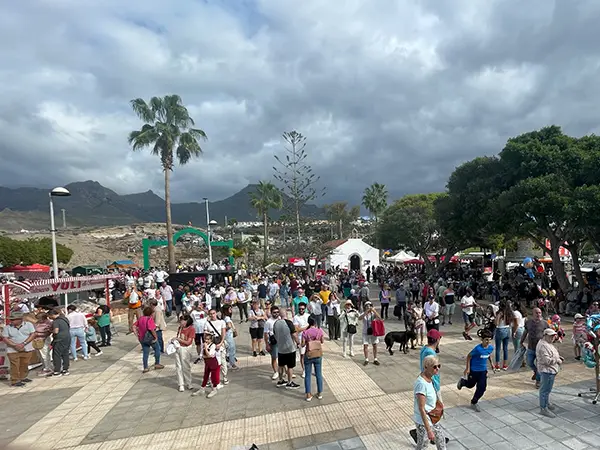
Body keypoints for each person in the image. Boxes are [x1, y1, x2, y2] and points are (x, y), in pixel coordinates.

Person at [456, 328, 495, 412]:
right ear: (482, 339)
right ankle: (463, 382)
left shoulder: (490, 348)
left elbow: (489, 355)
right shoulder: (477, 349)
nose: (488, 342)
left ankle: (474, 402)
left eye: (489, 340)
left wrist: (492, 364)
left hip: (483, 371)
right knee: (470, 385)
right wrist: (468, 368)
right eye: (486, 340)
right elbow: (469, 356)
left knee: (482, 388)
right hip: (474, 371)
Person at [413, 355, 446, 449]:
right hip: (424, 421)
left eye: (439, 366)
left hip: (433, 417)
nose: (437, 369)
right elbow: (421, 408)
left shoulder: (430, 377)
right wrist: (429, 430)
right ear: (426, 367)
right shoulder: (421, 384)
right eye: (434, 367)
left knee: (441, 440)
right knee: (423, 445)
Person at [2, 312, 35, 386]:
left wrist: (24, 343)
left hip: (26, 348)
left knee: (25, 363)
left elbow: (33, 334)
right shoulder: (7, 327)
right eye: (11, 320)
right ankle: (15, 380)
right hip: (12, 350)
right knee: (14, 365)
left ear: (20, 319)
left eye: (13, 320)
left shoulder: (28, 325)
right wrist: (14, 345)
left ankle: (23, 377)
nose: (12, 321)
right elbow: (5, 338)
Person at [536, 328, 563, 417]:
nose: (553, 337)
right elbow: (546, 361)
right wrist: (557, 360)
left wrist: (558, 357)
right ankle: (543, 408)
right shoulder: (543, 345)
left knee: (547, 389)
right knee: (544, 390)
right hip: (546, 370)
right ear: (545, 335)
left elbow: (552, 355)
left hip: (551, 370)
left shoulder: (548, 343)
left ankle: (546, 403)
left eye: (554, 336)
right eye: (551, 336)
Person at [273, 308, 301, 389]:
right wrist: (298, 343)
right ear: (286, 314)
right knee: (290, 366)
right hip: (289, 348)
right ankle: (289, 382)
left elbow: (274, 335)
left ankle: (281, 380)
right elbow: (294, 335)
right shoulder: (289, 323)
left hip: (280, 349)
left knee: (281, 365)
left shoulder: (276, 323)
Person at [521, 307, 549, 388]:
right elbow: (525, 332)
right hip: (531, 347)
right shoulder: (528, 322)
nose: (538, 314)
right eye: (536, 313)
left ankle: (538, 381)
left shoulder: (545, 323)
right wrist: (521, 341)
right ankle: (536, 372)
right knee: (529, 362)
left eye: (540, 313)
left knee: (539, 364)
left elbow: (549, 334)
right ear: (533, 313)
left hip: (540, 348)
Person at [133, 306, 164, 373]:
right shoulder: (149, 319)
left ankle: (145, 367)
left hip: (142, 338)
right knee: (157, 349)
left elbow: (134, 326)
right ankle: (157, 363)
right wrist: (155, 337)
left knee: (145, 352)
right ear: (151, 313)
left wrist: (137, 334)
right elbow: (152, 329)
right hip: (150, 338)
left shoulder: (140, 319)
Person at [302, 316, 324, 401]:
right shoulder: (319, 330)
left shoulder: (305, 332)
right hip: (318, 354)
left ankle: (308, 394)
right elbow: (322, 341)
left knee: (307, 375)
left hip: (309, 354)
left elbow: (303, 344)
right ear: (315, 322)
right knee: (318, 374)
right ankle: (320, 393)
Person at [47, 308, 71, 377]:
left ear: (52, 315)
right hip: (67, 338)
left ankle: (57, 370)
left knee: (57, 355)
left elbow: (56, 331)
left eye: (49, 316)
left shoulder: (56, 322)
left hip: (59, 339)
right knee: (65, 354)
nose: (49, 318)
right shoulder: (65, 318)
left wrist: (50, 331)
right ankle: (65, 369)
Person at [174, 315, 195, 392]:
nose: (181, 322)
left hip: (186, 349)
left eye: (182, 320)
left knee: (186, 366)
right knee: (178, 366)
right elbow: (178, 336)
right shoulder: (180, 328)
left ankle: (189, 382)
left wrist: (178, 339)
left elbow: (188, 342)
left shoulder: (191, 329)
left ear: (186, 321)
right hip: (178, 347)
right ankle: (181, 384)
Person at [360, 301, 382, 366]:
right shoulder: (363, 313)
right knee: (365, 345)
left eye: (369, 306)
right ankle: (366, 359)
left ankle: (375, 359)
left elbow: (379, 317)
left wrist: (374, 311)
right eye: (367, 306)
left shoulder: (373, 313)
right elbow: (359, 318)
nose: (368, 307)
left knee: (375, 345)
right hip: (365, 331)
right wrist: (366, 312)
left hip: (373, 331)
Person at [264, 305, 282, 380]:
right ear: (271, 313)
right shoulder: (268, 322)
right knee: (274, 357)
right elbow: (265, 334)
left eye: (278, 312)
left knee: (283, 357)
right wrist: (267, 344)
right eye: (274, 312)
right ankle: (276, 372)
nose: (276, 314)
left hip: (281, 340)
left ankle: (284, 371)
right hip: (273, 341)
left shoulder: (280, 319)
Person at [494, 301, 512, 370]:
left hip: (500, 330)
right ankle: (505, 365)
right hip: (507, 329)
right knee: (505, 348)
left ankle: (497, 365)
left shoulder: (500, 313)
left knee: (498, 349)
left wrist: (495, 319)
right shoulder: (509, 313)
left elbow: (497, 323)